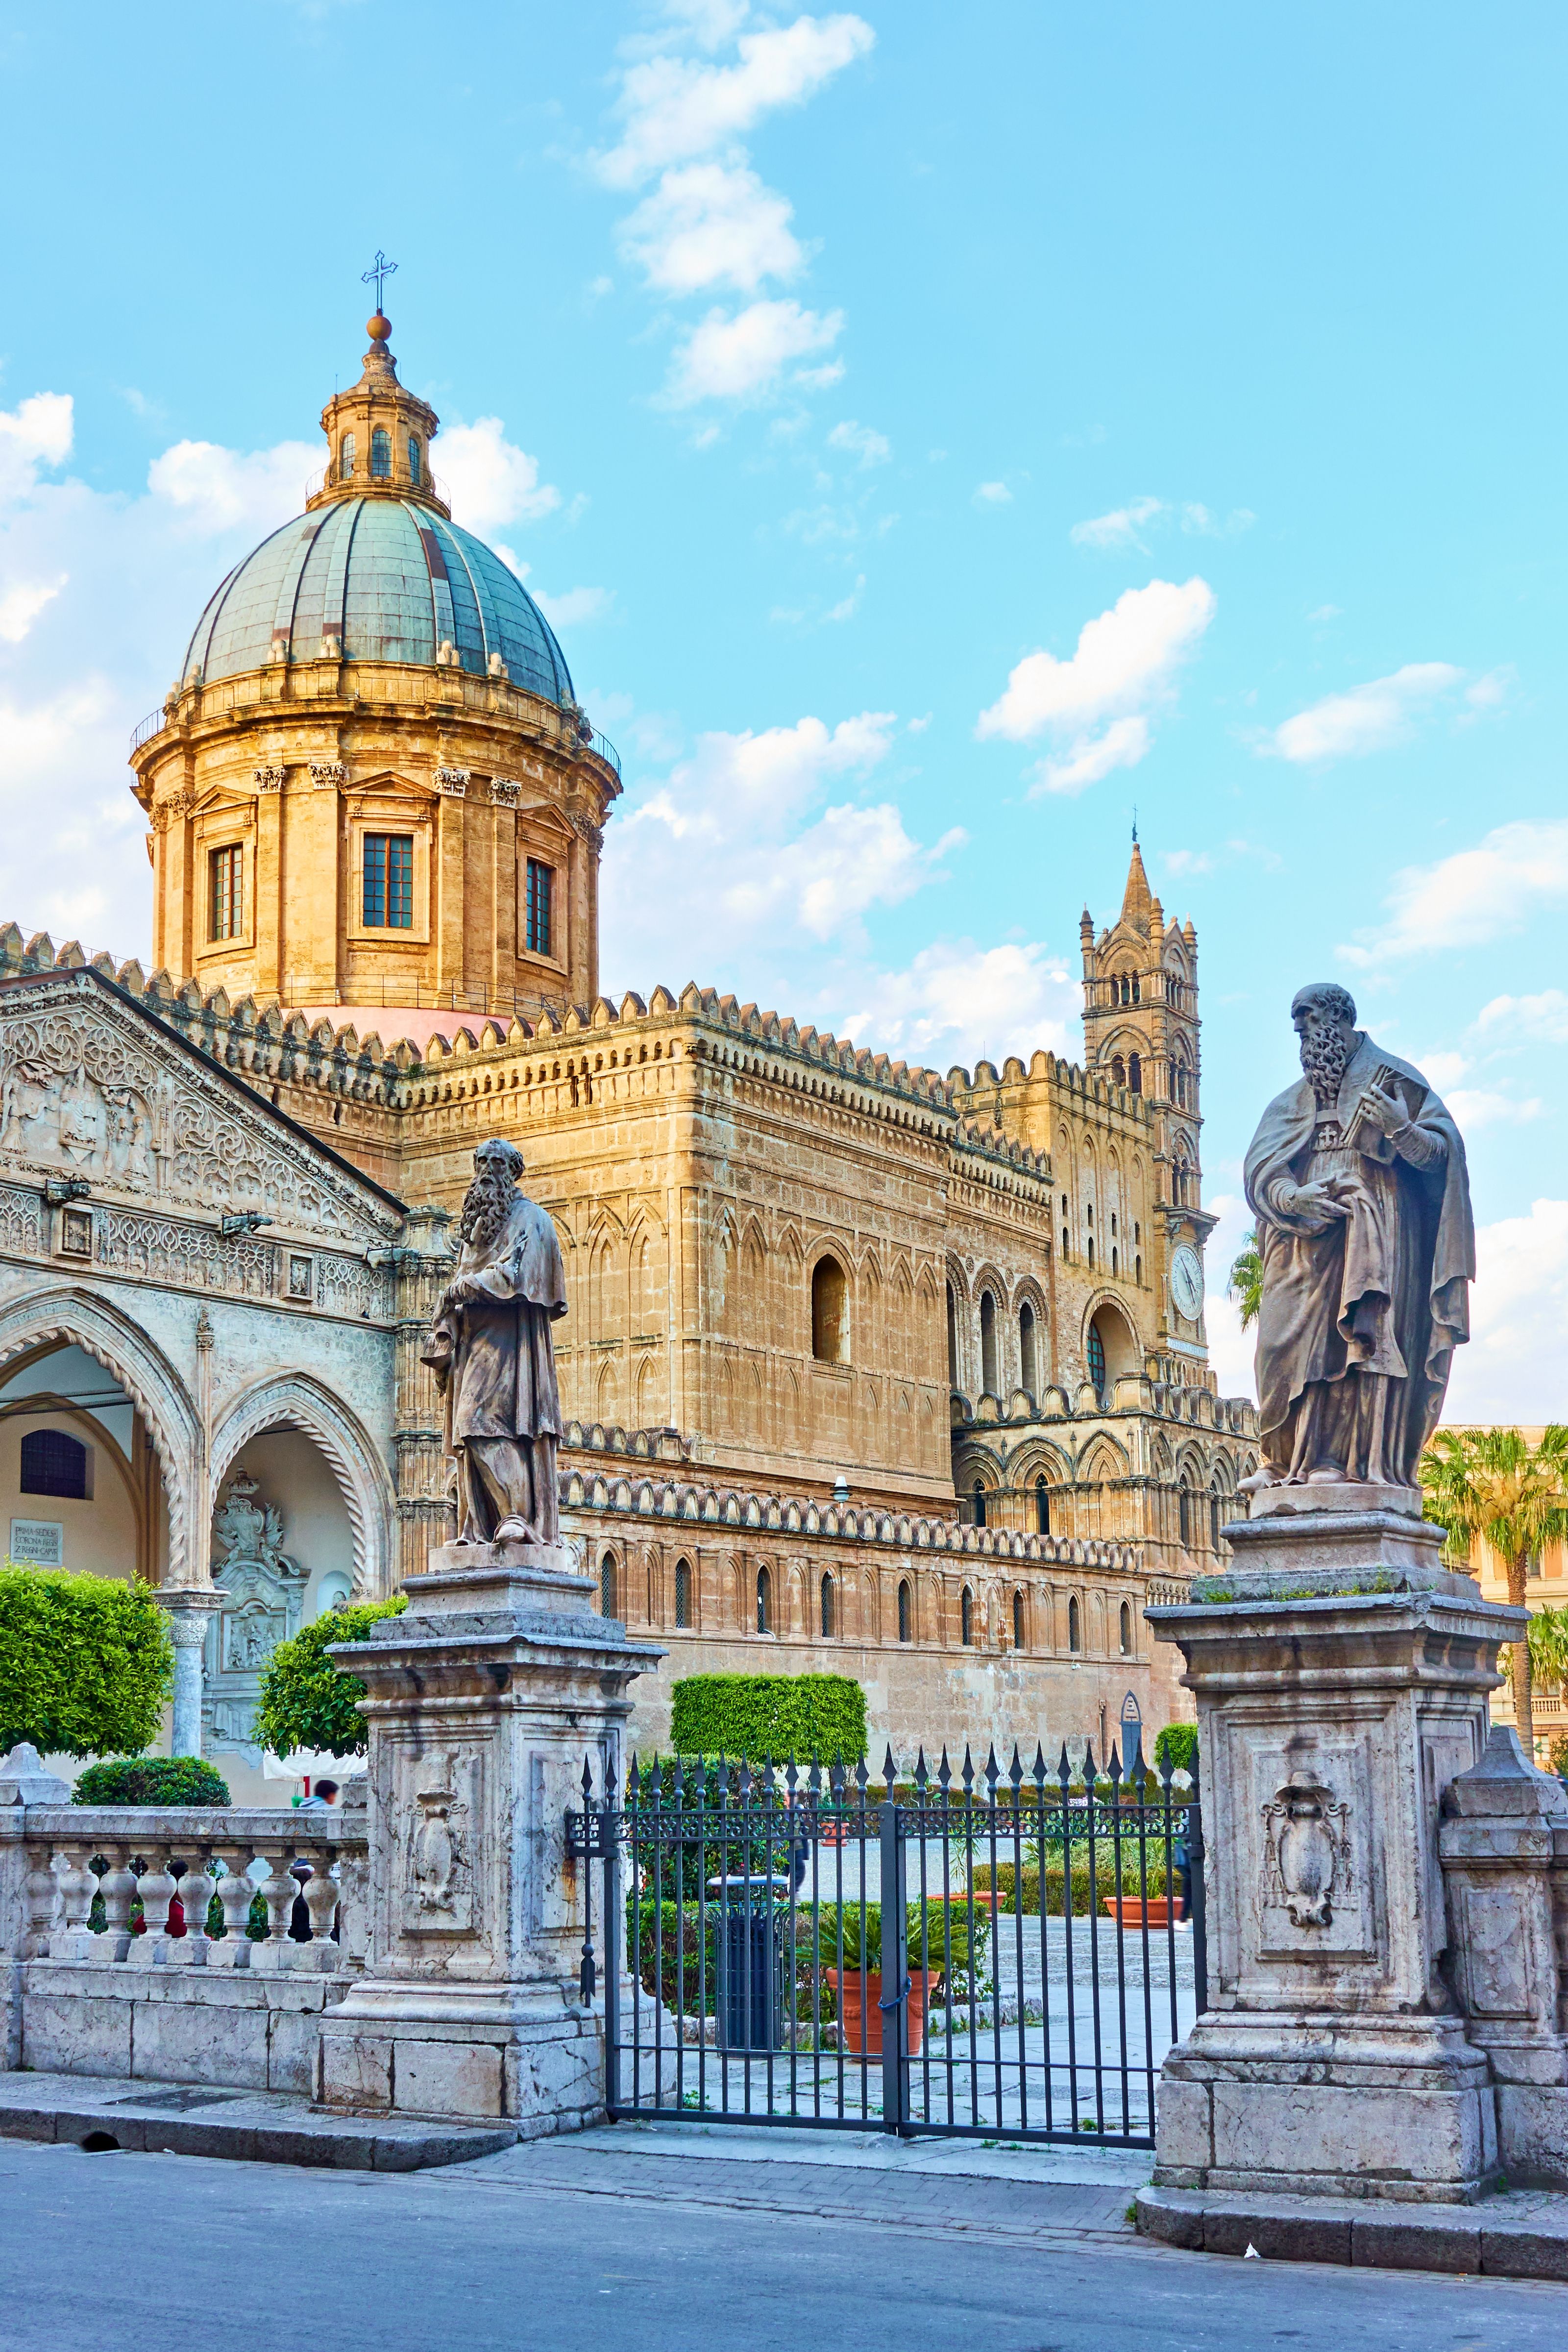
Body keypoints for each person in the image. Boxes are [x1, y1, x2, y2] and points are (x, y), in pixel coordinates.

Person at [1242, 982, 1473, 1492]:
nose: (1300, 1029)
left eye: (1308, 1017)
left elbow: (1442, 1158)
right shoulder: (1289, 1102)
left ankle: (1337, 1461)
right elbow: (1263, 1170)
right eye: (1296, 1022)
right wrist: (1291, 1197)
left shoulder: (1394, 1079)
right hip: (1302, 1237)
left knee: (1356, 1344)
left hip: (1378, 1226)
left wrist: (1400, 1128)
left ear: (1339, 1019)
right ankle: (1282, 1460)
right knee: (1278, 1344)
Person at [422, 1138, 567, 1545]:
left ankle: (516, 1516)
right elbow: (459, 1282)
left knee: (485, 1423)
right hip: (473, 1343)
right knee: (468, 1432)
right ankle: (481, 1525)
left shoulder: (531, 1219)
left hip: (510, 1345)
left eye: (496, 1162)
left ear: (511, 1170)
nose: (487, 1169)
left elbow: (516, 1275)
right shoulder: (475, 1231)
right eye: (481, 1161)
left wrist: (464, 1287)